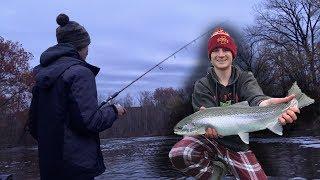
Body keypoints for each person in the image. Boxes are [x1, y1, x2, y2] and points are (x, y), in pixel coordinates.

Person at [169, 28, 300, 180]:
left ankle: (227, 164)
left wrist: (265, 103)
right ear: (210, 56)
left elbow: (256, 97)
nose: (221, 54)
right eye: (215, 50)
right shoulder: (202, 85)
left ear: (233, 54)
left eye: (225, 50)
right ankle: (216, 171)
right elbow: (203, 115)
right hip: (211, 143)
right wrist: (198, 128)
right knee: (180, 153)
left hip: (238, 147)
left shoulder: (246, 78)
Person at [28, 13, 127, 180]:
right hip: (76, 168)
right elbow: (90, 122)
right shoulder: (80, 73)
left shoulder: (43, 75)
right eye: (87, 45)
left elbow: (33, 125)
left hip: (49, 168)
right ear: (78, 46)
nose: (88, 51)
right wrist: (114, 111)